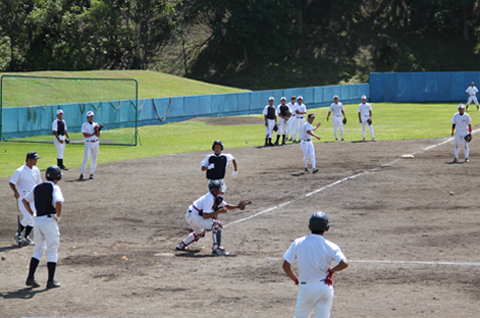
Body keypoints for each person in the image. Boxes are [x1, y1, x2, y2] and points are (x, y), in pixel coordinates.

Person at [283, 211, 348, 318]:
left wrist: (296, 280)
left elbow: (286, 266)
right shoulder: (331, 246)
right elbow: (344, 263)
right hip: (324, 287)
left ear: (310, 226)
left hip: (306, 288)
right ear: (327, 227)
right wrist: (332, 271)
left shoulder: (298, 242)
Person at [175, 180, 245, 256]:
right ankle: (216, 249)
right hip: (194, 216)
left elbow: (227, 206)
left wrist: (237, 207)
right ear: (214, 190)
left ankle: (181, 246)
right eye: (218, 188)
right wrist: (218, 211)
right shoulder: (209, 198)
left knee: (200, 233)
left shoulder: (215, 197)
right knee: (216, 224)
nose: (220, 189)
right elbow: (205, 216)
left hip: (192, 215)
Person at [23, 165, 64, 289]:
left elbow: (25, 200)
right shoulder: (54, 187)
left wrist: (32, 214)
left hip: (38, 221)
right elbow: (58, 202)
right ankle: (50, 281)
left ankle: (30, 277)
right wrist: (58, 215)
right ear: (57, 176)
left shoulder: (37, 187)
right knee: (52, 249)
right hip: (49, 221)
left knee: (39, 250)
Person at [9, 151, 42, 246]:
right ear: (29, 160)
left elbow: (39, 183)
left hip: (33, 196)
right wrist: (15, 191)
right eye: (34, 159)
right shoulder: (20, 171)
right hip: (23, 196)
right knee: (29, 216)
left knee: (34, 216)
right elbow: (11, 182)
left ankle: (26, 236)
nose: (36, 161)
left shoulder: (36, 169)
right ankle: (18, 234)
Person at [79, 111, 101, 180]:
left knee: (94, 159)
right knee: (86, 159)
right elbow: (85, 135)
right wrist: (94, 133)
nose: (91, 118)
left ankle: (92, 173)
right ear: (87, 117)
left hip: (96, 143)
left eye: (92, 116)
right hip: (88, 143)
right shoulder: (84, 125)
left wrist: (97, 129)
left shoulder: (96, 124)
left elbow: (98, 135)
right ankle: (82, 173)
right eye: (90, 116)